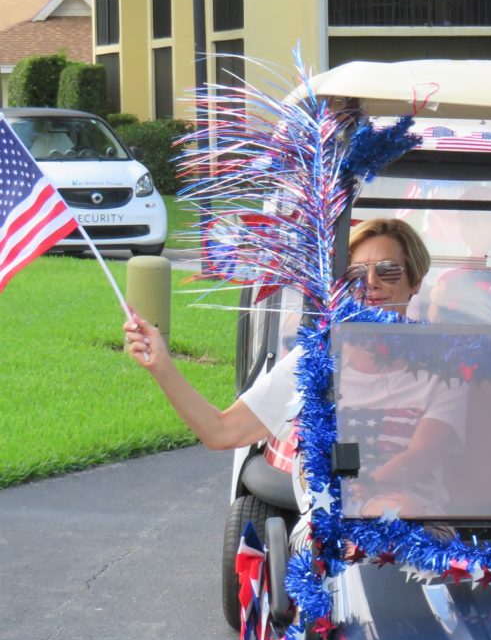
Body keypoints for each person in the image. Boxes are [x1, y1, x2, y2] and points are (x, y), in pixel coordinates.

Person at [124, 218, 465, 518]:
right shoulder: (315, 358)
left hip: (417, 522)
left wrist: (367, 490)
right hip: (329, 524)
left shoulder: (444, 367)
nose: (371, 283)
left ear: (416, 281)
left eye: (388, 270)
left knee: (397, 514)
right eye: (357, 274)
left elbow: (421, 454)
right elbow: (222, 431)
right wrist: (162, 366)